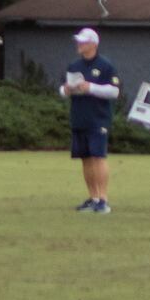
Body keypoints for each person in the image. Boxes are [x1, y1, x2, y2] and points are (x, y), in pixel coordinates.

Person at [60, 27, 122, 213]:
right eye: (78, 41)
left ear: (94, 44)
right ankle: (93, 197)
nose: (79, 45)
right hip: (79, 117)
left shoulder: (105, 66)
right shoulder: (74, 66)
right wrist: (66, 90)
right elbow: (62, 91)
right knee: (85, 158)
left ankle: (103, 199)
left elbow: (114, 91)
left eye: (83, 42)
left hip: (98, 118)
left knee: (98, 156)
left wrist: (91, 88)